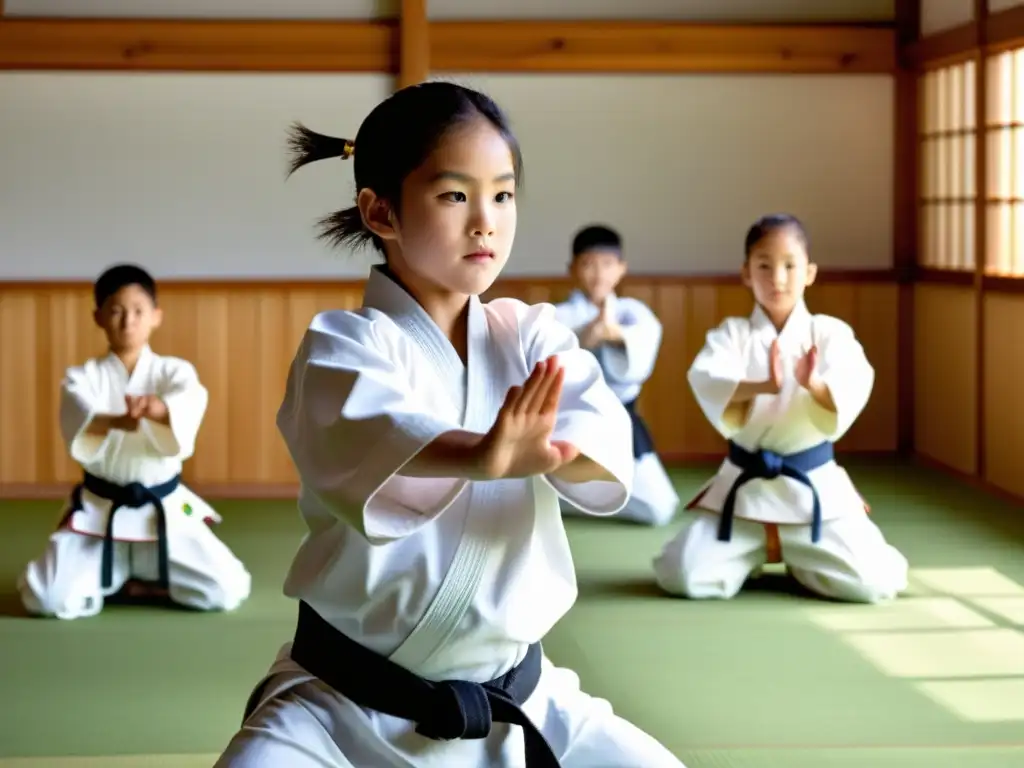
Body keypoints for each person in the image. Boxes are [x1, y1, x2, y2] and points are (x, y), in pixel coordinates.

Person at [215, 82, 683, 768]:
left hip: (520, 704)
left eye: (503, 194)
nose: (486, 221)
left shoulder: (532, 332)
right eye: (455, 195)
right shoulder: (343, 345)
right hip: (342, 706)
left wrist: (549, 452)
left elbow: (596, 431)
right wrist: (483, 456)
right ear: (381, 212)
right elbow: (374, 434)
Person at [652, 214, 908, 603]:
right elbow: (708, 378)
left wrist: (815, 385)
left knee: (874, 582)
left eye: (791, 265)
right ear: (745, 272)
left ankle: (804, 558)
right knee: (683, 575)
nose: (778, 278)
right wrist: (764, 386)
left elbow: (852, 384)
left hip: (814, 494)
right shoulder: (731, 334)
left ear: (810, 272)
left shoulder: (830, 333)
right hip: (745, 492)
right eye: (764, 266)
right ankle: (763, 555)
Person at [17, 264, 252, 619]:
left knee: (229, 588)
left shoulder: (174, 372)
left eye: (138, 311)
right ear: (98, 316)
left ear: (156, 316)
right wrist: (114, 421)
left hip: (167, 507)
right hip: (99, 509)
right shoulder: (82, 377)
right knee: (45, 597)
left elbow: (188, 399)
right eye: (116, 310)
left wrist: (160, 410)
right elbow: (79, 413)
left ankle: (129, 582)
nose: (128, 321)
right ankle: (122, 576)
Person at [552, 225, 679, 526]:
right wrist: (582, 337)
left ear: (621, 269)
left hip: (623, 421)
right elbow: (545, 357)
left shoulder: (631, 312)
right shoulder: (558, 316)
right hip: (571, 420)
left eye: (607, 264)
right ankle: (564, 492)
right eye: (588, 264)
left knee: (660, 508)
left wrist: (615, 334)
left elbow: (643, 349)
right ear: (572, 269)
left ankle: (570, 496)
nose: (598, 273)